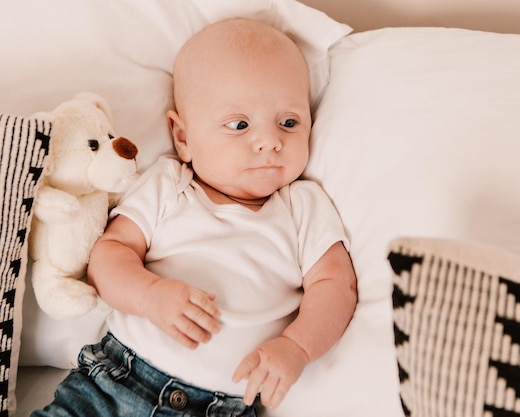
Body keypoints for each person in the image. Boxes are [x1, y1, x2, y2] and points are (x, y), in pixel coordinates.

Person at [31, 17, 357, 417]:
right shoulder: (170, 184)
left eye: (289, 122)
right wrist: (149, 295)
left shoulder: (302, 206)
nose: (271, 141)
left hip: (222, 407)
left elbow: (336, 286)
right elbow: (110, 254)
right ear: (183, 137)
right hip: (116, 379)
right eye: (239, 125)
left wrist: (298, 346)